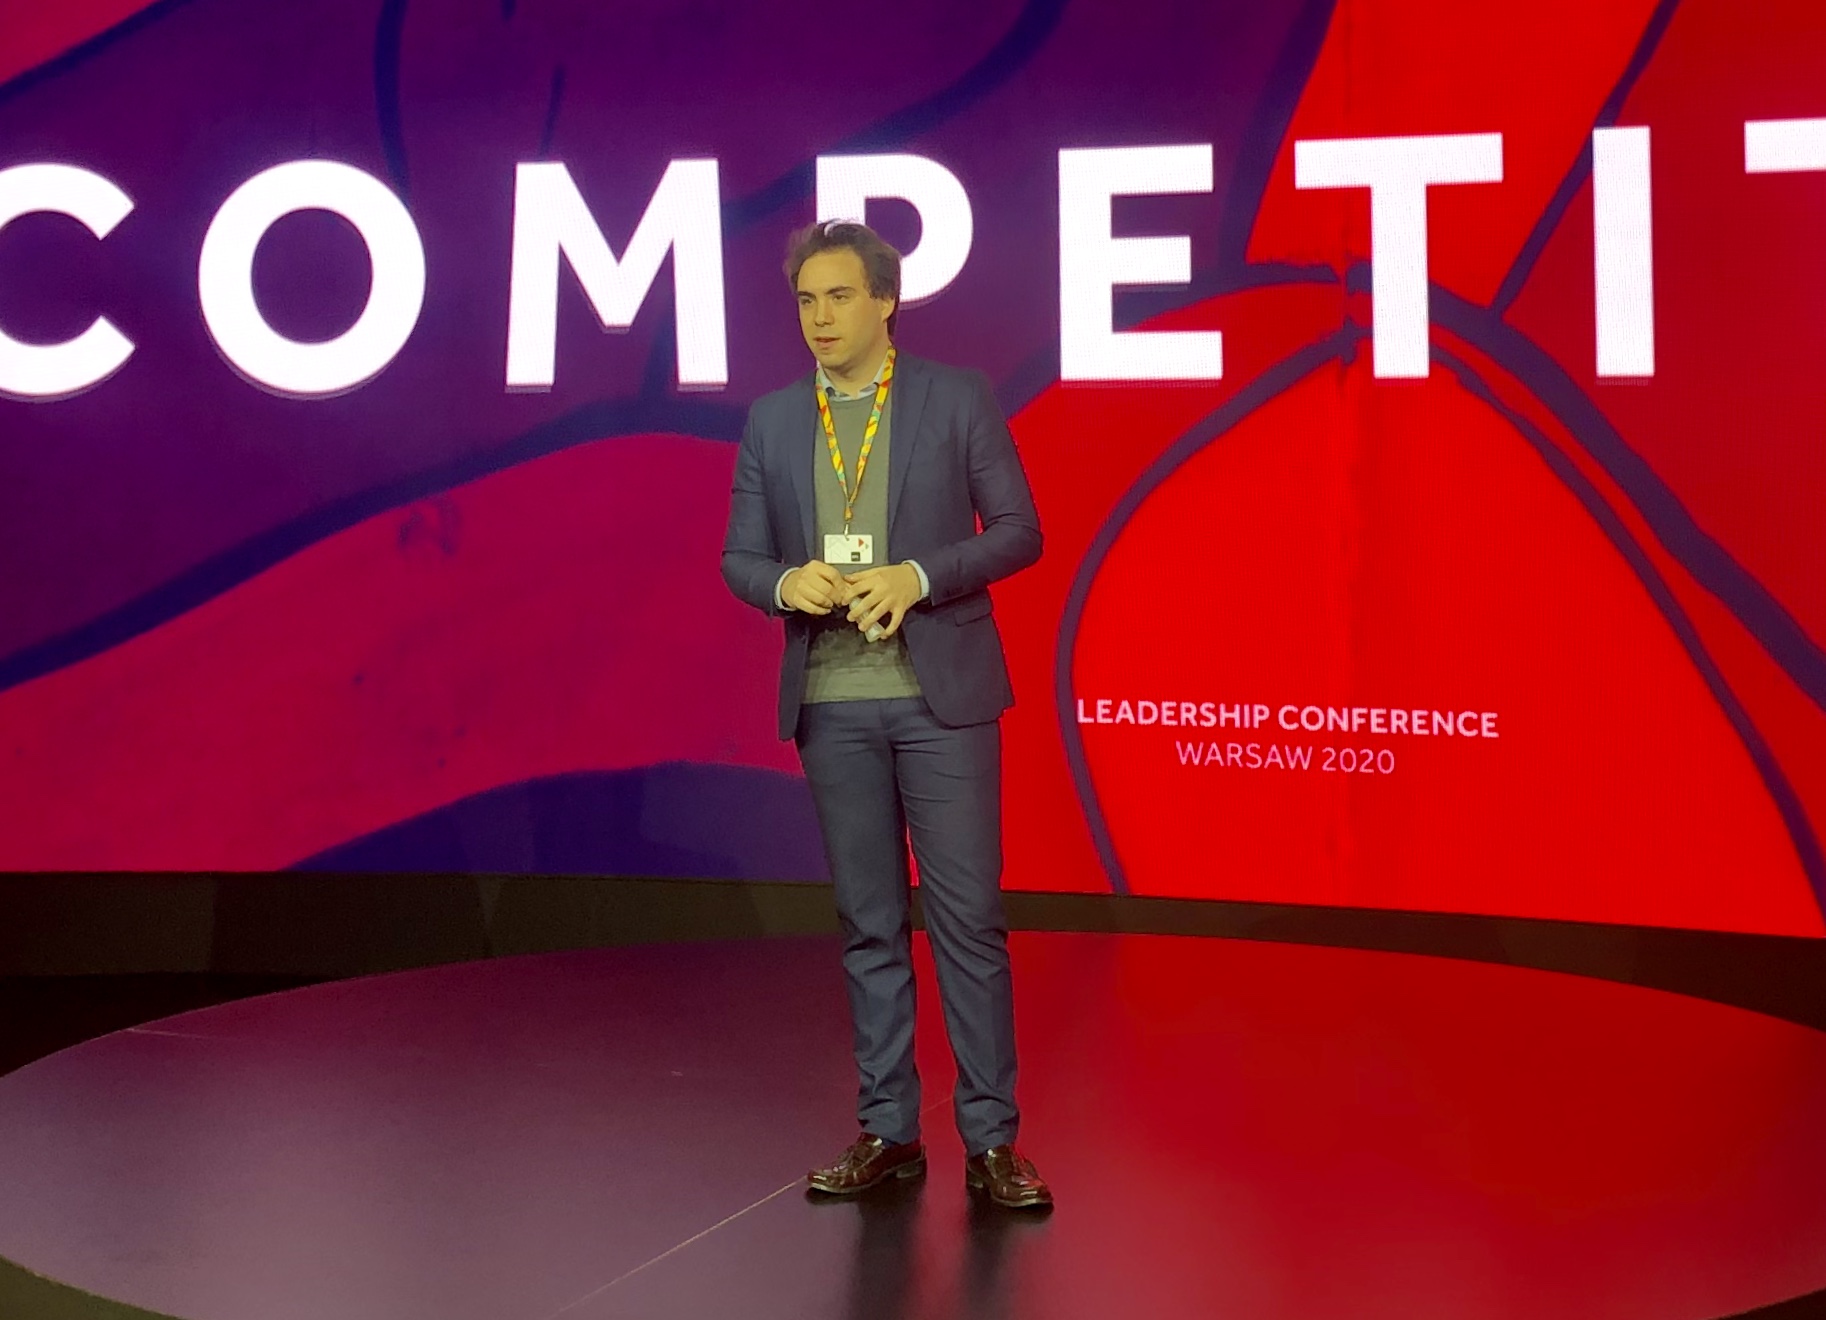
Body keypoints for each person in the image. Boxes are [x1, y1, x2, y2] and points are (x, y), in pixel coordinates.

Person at [721, 220, 1050, 1209]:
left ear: (884, 301)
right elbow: (739, 559)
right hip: (831, 703)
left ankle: (991, 1143)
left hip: (941, 698)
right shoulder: (774, 420)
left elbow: (1020, 531)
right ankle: (888, 1130)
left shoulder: (955, 397)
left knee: (967, 922)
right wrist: (787, 583)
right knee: (868, 925)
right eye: (805, 302)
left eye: (837, 298)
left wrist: (918, 575)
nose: (819, 318)